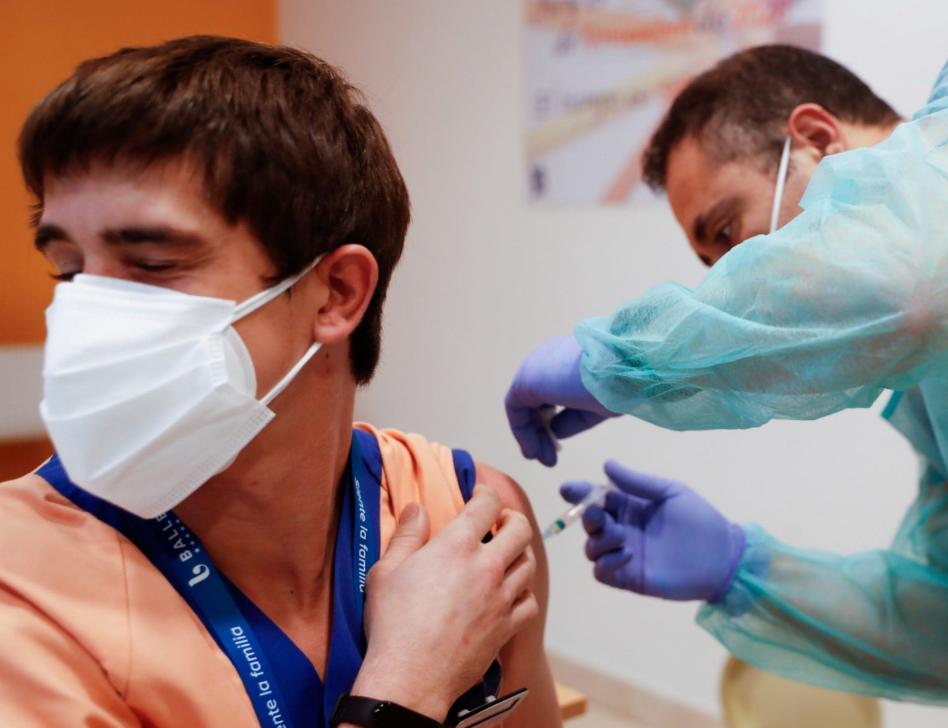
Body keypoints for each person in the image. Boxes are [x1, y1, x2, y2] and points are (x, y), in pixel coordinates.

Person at [505, 13, 948, 726]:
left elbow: (922, 285)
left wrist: (622, 360)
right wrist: (743, 567)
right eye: (712, 266)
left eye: (730, 233)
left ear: (817, 139)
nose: (734, 285)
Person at [0, 36, 561, 728]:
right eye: (70, 269)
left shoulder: (473, 518)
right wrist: (403, 691)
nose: (88, 315)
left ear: (335, 294)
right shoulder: (20, 591)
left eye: (149, 263)